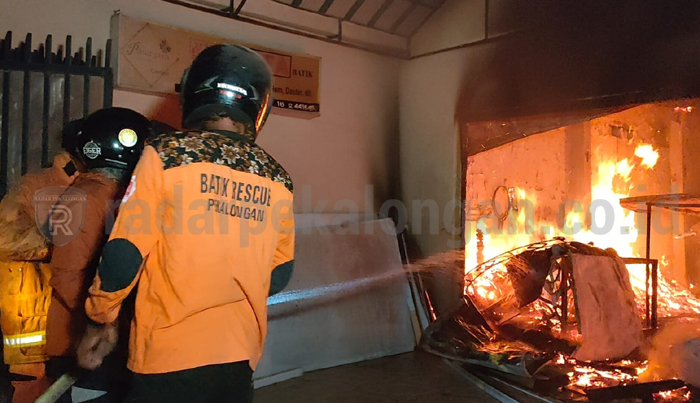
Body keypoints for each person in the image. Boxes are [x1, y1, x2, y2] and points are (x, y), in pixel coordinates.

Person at [78, 44, 295, 403]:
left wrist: (100, 317)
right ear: (261, 106)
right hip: (237, 360)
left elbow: (123, 254)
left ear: (192, 92)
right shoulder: (278, 178)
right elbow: (280, 274)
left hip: (167, 358)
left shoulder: (166, 154)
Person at [45, 107, 150, 403]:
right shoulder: (86, 198)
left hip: (103, 343)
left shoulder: (112, 195)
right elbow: (67, 275)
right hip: (83, 345)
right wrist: (105, 323)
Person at [0, 118, 85, 403]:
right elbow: (5, 239)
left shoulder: (96, 187)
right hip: (30, 316)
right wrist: (57, 241)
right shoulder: (37, 185)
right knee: (31, 389)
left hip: (68, 317)